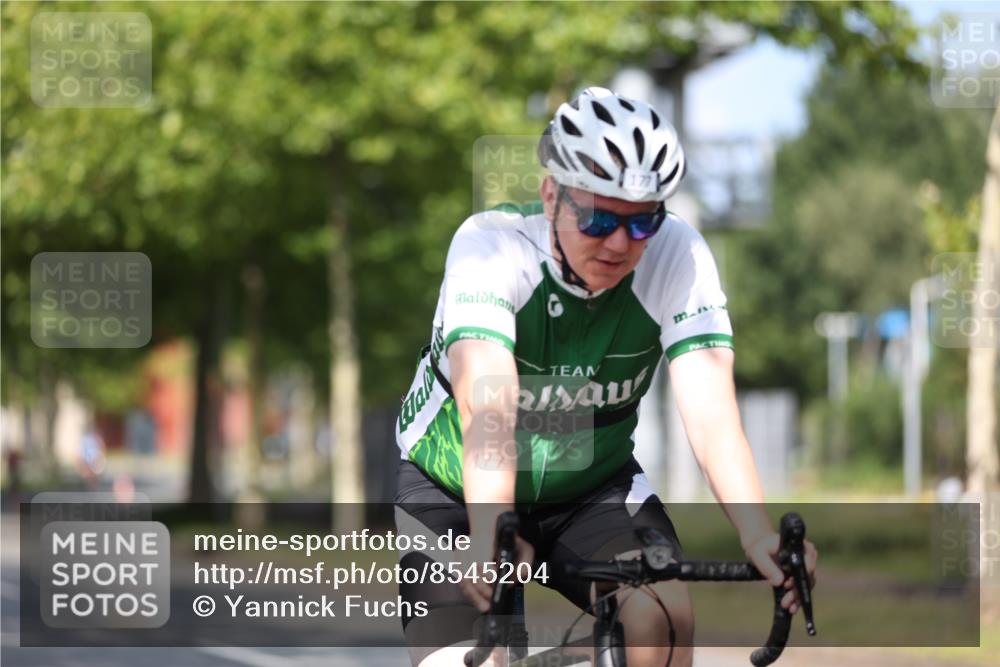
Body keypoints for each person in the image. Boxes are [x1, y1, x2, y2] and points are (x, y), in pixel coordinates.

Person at [394, 86, 817, 667]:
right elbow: (488, 404)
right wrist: (491, 526)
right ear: (551, 196)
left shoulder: (678, 257)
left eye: (642, 223)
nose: (619, 243)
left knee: (661, 620)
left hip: (590, 485)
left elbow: (711, 412)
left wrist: (757, 533)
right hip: (452, 485)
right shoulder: (489, 248)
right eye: (597, 218)